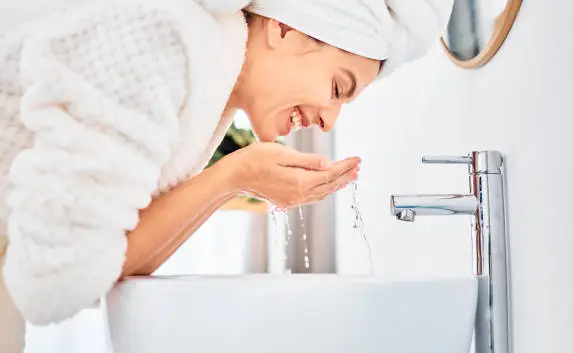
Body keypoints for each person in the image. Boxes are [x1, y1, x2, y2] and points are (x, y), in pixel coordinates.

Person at [0, 0, 453, 351]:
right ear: (285, 29)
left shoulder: (206, 81)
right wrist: (233, 174)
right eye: (337, 88)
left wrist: (234, 178)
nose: (330, 120)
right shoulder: (164, 39)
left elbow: (113, 261)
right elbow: (57, 281)